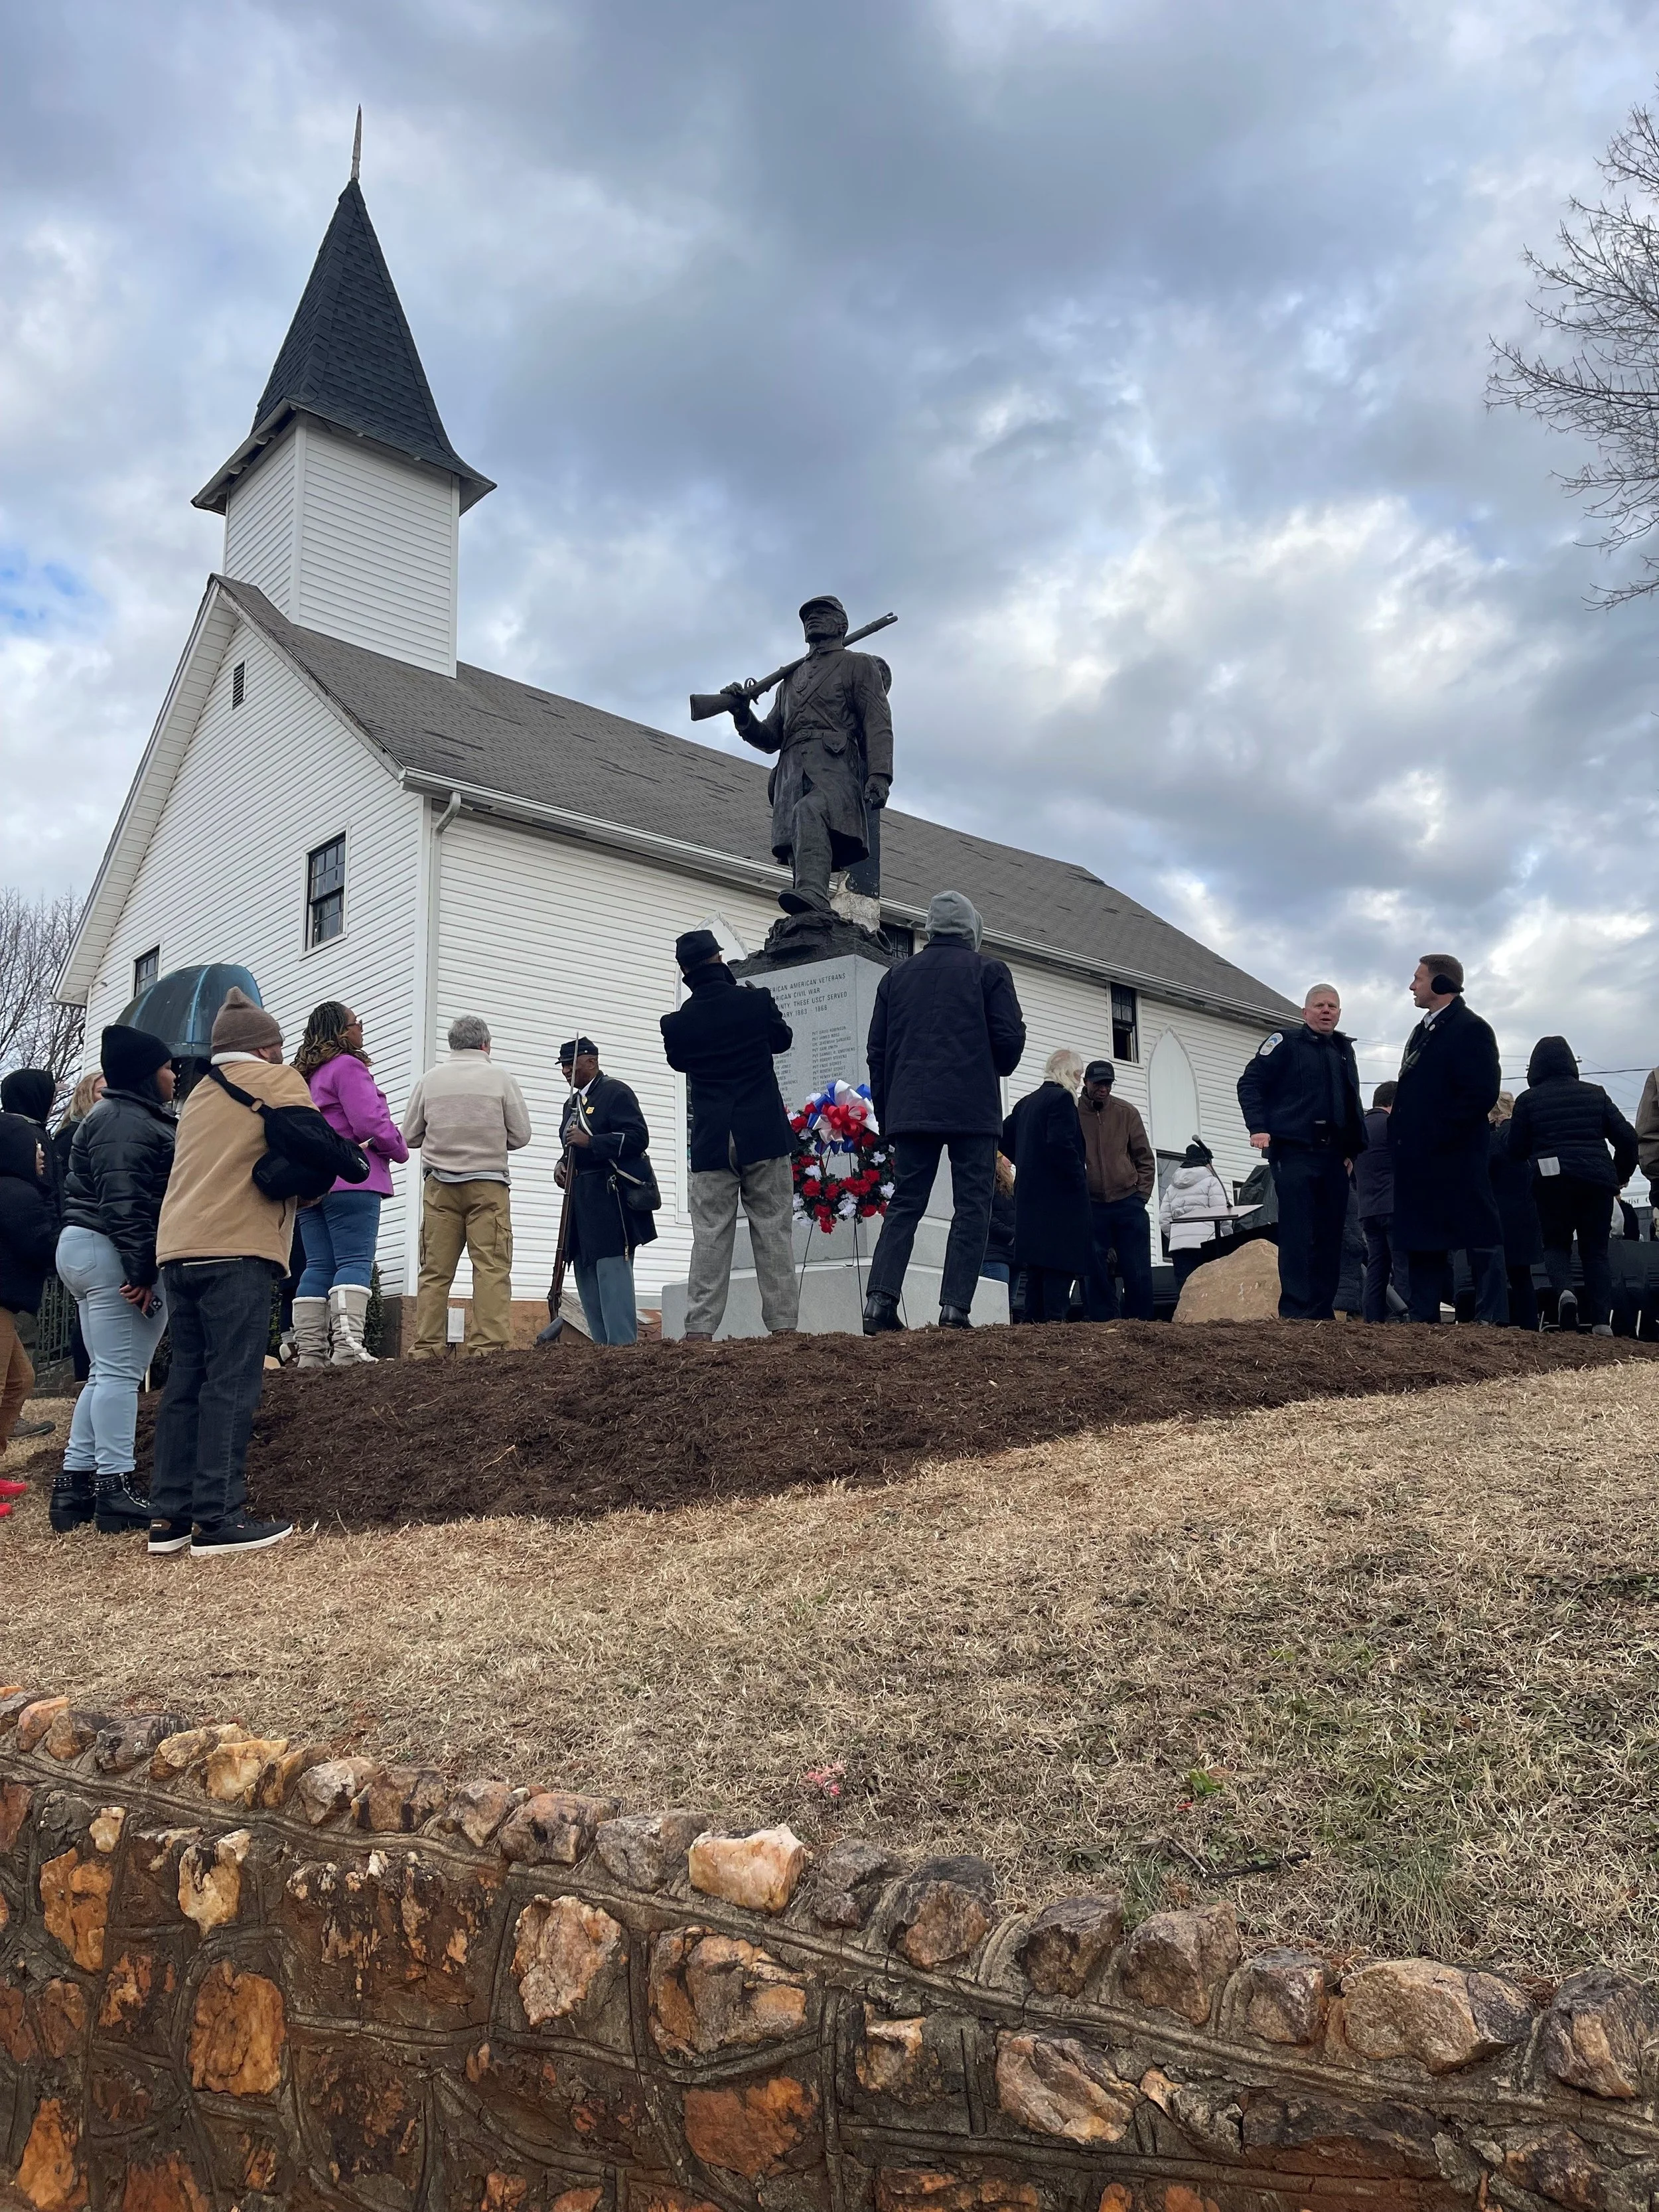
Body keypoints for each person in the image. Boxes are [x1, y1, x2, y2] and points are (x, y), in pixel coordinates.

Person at [148, 988, 328, 1555]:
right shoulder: (278, 1081)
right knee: (232, 1379)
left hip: (179, 1247)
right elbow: (318, 1150)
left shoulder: (198, 1093)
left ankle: (168, 1518)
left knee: (187, 1381)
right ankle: (220, 1516)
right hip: (238, 1246)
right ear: (267, 1046)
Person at [862, 890, 1026, 1331]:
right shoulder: (990, 972)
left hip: (911, 1107)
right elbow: (1008, 1051)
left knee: (906, 1202)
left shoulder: (895, 978)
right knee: (973, 1204)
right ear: (972, 930)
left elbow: (876, 1053)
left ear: (930, 929)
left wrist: (887, 1113)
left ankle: (879, 1302)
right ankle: (955, 1308)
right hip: (972, 1108)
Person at [51, 1026, 177, 1534]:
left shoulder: (115, 1116)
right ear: (149, 1074)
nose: (174, 1075)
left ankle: (74, 1485)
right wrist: (142, 1270)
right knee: (121, 1374)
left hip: (87, 1247)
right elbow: (125, 1202)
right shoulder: (125, 1119)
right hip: (109, 1249)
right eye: (168, 1067)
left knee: (106, 1372)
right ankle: (114, 1487)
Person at [660, 930, 798, 1341]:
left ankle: (700, 1329)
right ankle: (783, 1325)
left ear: (685, 972)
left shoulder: (677, 1023)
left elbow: (679, 1060)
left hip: (712, 1139)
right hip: (763, 1134)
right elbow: (783, 1040)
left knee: (710, 1235)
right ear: (720, 958)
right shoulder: (755, 1001)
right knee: (773, 1228)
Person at [725, 595, 894, 919]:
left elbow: (877, 720)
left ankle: (813, 894)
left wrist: (880, 774)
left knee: (810, 811)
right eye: (807, 615)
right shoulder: (790, 679)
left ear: (841, 624)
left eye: (821, 613)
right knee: (798, 838)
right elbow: (771, 737)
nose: (812, 618)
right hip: (791, 772)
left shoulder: (858, 665)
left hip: (836, 767)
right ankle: (807, 908)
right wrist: (742, 713)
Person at [402, 1015, 532, 1359]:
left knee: (434, 1270)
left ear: (452, 1044)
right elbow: (521, 1135)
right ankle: (488, 1347)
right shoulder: (501, 1079)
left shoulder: (430, 1080)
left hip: (440, 1187)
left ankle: (426, 1348)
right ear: (486, 1044)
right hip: (488, 1186)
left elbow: (410, 1135)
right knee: (491, 1266)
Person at [1236, 984, 1366, 1321]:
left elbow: (1352, 1101)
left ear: (1339, 1013)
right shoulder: (1285, 1043)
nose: (1327, 1011)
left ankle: (1322, 1310)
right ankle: (1295, 1311)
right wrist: (1258, 1127)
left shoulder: (1343, 1049)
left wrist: (1353, 1147)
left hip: (1334, 1155)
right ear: (1304, 1012)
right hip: (1295, 1151)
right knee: (1298, 1231)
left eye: (1333, 1006)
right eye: (1320, 1005)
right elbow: (1250, 1083)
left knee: (1331, 1233)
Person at [1388, 956, 1504, 1325]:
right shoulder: (1423, 1030)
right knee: (1423, 1238)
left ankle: (1490, 1316)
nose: (1412, 986)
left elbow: (1481, 1092)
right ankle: (1423, 1316)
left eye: (1418, 979)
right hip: (1420, 1158)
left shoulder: (1471, 1029)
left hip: (1455, 1156)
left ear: (1441, 985)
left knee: (1478, 1233)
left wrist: (1439, 1132)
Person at [292, 1000, 409, 1366]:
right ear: (343, 1032)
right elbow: (369, 1122)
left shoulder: (302, 1076)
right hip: (353, 1179)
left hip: (310, 1184)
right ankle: (347, 1348)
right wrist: (399, 1148)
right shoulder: (348, 1067)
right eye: (357, 1023)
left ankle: (309, 1353)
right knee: (355, 1259)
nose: (362, 1029)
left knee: (318, 1265)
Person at [1506, 1036, 1639, 1335]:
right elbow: (1628, 1138)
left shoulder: (1529, 1099)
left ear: (1535, 1067)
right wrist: (1618, 1176)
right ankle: (1602, 1323)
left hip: (1551, 1181)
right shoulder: (1596, 1094)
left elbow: (1515, 1149)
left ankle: (1565, 1291)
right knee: (1596, 1251)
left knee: (1555, 1243)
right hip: (1596, 1182)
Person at [556, 1037, 656, 1345]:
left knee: (612, 1273)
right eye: (563, 1066)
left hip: (610, 1196)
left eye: (571, 1064)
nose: (566, 1072)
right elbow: (570, 1147)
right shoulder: (571, 1104)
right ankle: (601, 1349)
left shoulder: (616, 1092)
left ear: (592, 1061)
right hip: (581, 1197)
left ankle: (623, 1348)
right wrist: (561, 1165)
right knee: (585, 1272)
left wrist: (593, 1143)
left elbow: (639, 1137)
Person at [1001, 1049, 1092, 1323]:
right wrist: (1078, 1180)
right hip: (1059, 1201)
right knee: (1058, 1268)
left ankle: (1033, 1330)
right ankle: (1054, 1327)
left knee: (1037, 1272)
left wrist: (1028, 1164)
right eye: (1078, 1075)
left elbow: (1004, 1137)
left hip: (1030, 1199)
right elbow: (1062, 1145)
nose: (1079, 1082)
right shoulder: (1062, 1100)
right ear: (1068, 1073)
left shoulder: (1027, 1102)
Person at [0, 1114, 58, 1516]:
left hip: (5, 1302)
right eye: (32, 1145)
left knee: (21, 1379)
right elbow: (42, 1245)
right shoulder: (15, 1192)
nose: (41, 1152)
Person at [1078, 1061, 1156, 1321]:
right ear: (1085, 1083)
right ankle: (1101, 1323)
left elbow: (1145, 1157)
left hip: (1127, 1202)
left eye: (1108, 1084)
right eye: (1099, 1083)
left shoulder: (1127, 1112)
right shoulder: (1072, 1112)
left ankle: (1141, 1323)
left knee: (1137, 1269)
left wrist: (1140, 1197)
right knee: (1094, 1268)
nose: (1103, 1089)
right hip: (1091, 1205)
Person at [1486, 1093, 1543, 1331]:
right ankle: (1530, 1325)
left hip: (1498, 1214)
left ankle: (1500, 1321)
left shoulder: (1494, 1140)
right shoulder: (1528, 1137)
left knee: (1495, 1273)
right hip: (1527, 1213)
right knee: (1523, 1276)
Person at [1350, 1080, 1405, 1323]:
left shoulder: (1358, 1128)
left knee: (1377, 1268)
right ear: (1393, 1103)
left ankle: (1372, 1320)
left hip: (1367, 1209)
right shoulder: (1392, 1125)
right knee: (1403, 1265)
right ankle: (1404, 1317)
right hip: (1394, 1206)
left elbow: (1352, 1172)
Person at [1159, 1139, 1234, 1296]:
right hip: (1207, 1243)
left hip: (1180, 1246)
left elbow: (1164, 1220)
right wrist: (1228, 1239)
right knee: (1210, 1289)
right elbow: (1221, 1215)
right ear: (1206, 1162)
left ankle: (1185, 1320)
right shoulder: (1211, 1182)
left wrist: (1178, 1235)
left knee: (1186, 1290)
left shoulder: (1172, 1188)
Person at [1, 1068, 64, 1224]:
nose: (53, 1102)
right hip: (36, 1229)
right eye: (50, 1095)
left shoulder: (11, 1130)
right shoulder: (27, 1135)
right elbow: (45, 1189)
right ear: (33, 1096)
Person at [982, 1152, 1017, 1286]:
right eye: (1008, 1157)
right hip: (995, 1253)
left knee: (1009, 1304)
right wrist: (1011, 1235)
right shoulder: (989, 1181)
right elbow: (987, 1216)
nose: (1011, 1163)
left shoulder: (1010, 1187)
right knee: (997, 1302)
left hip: (1012, 1255)